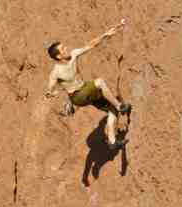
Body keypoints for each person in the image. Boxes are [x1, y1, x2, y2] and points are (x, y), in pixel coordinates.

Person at [45, 19, 128, 148]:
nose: (66, 48)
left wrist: (106, 34)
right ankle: (120, 106)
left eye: (64, 46)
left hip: (85, 93)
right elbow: (49, 89)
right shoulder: (56, 72)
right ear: (59, 56)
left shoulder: (73, 55)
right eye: (63, 49)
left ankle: (112, 141)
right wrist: (51, 93)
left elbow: (90, 45)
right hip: (77, 96)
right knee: (99, 82)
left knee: (111, 109)